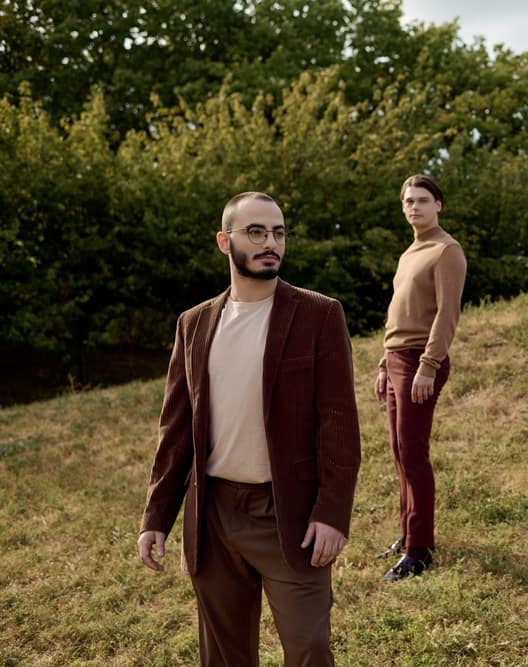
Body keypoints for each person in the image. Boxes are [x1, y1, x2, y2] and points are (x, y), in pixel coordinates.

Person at [137, 192, 362, 665]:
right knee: (223, 656)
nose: (271, 243)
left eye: (278, 233)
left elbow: (339, 423)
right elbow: (175, 430)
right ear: (225, 241)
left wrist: (332, 512)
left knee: (309, 647)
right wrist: (157, 517)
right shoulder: (193, 324)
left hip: (290, 515)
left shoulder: (319, 314)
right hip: (214, 515)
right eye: (256, 232)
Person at [374, 174, 466, 582]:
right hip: (396, 359)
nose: (414, 207)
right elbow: (399, 311)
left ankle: (420, 550)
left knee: (413, 454)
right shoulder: (410, 252)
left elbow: (447, 315)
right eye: (409, 200)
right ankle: (408, 532)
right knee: (398, 452)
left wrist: (429, 365)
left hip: (418, 361)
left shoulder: (446, 251)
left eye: (423, 200)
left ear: (439, 205)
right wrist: (382, 363)